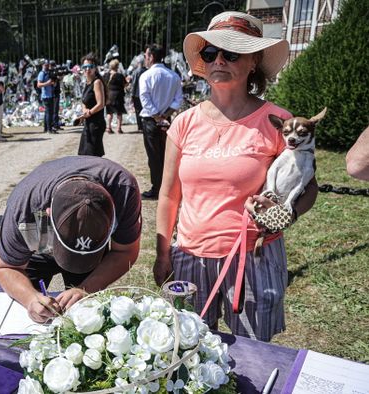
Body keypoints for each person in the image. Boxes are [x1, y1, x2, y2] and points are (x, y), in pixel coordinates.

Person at [153, 11, 318, 342]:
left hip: (253, 258)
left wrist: (289, 213)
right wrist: (162, 254)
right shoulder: (184, 123)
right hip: (189, 258)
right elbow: (169, 195)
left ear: (254, 61)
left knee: (254, 356)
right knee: (190, 355)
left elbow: (308, 186)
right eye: (210, 53)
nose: (218, 61)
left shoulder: (278, 122)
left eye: (231, 53)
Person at [0, 156, 142, 323]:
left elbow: (125, 251)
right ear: (48, 214)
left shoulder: (124, 190)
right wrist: (30, 298)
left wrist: (86, 289)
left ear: (113, 216)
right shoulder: (25, 206)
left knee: (84, 315)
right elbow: (5, 267)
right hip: (37, 252)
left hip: (93, 259)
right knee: (33, 315)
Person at [139, 44, 183, 199]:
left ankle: (157, 188)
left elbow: (145, 99)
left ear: (151, 57)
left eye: (145, 56)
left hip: (151, 120)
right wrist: (165, 114)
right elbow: (178, 99)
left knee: (154, 156)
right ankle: (168, 186)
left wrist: (157, 116)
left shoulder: (146, 75)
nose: (144, 59)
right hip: (167, 118)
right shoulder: (173, 76)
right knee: (167, 154)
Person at [77, 53, 107, 157]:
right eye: (85, 67)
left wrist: (89, 112)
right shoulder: (87, 83)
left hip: (96, 124)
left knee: (92, 155)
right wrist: (84, 109)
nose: (87, 69)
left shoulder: (97, 82)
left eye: (90, 67)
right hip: (88, 123)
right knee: (84, 154)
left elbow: (101, 104)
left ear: (95, 68)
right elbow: (84, 101)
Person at [104, 59, 128, 134]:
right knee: (119, 112)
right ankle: (118, 128)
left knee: (109, 112)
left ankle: (108, 127)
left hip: (109, 95)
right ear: (117, 66)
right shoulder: (119, 76)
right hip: (118, 95)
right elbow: (125, 84)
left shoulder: (106, 75)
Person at [36, 60, 56, 134]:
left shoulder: (48, 73)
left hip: (50, 95)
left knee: (48, 112)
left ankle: (46, 128)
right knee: (49, 112)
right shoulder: (41, 73)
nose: (47, 66)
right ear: (42, 65)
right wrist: (47, 83)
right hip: (46, 96)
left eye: (48, 65)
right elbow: (38, 85)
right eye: (45, 65)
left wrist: (53, 83)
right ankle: (49, 129)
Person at [129, 54, 147, 133]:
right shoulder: (146, 70)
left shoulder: (136, 71)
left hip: (137, 94)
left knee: (138, 110)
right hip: (145, 93)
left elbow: (134, 84)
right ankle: (144, 125)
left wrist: (131, 94)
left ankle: (140, 126)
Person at [50, 60, 63, 131]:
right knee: (54, 109)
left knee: (56, 109)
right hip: (54, 93)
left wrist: (59, 77)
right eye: (53, 65)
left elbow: (58, 80)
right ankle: (54, 124)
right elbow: (53, 84)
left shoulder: (54, 73)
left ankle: (56, 124)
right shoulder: (51, 74)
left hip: (57, 92)